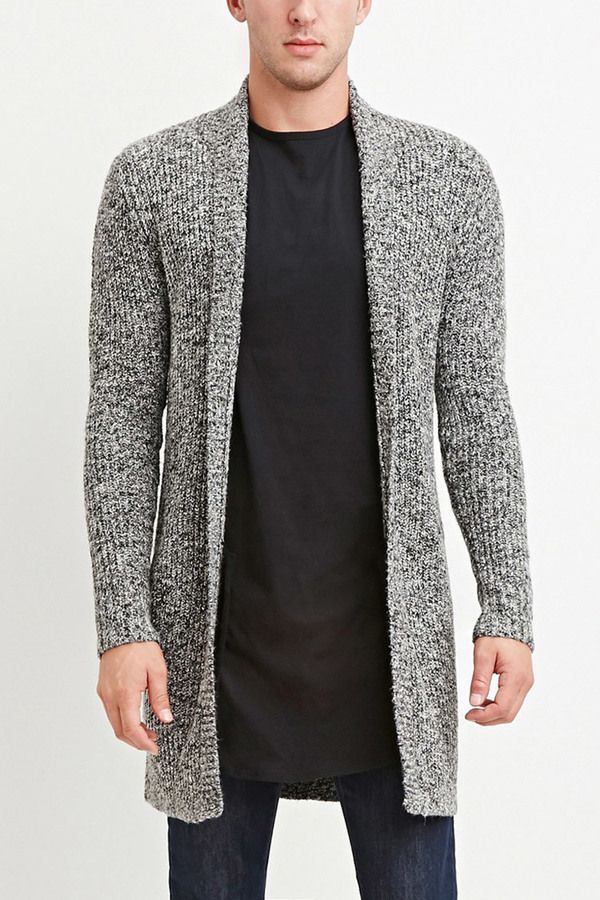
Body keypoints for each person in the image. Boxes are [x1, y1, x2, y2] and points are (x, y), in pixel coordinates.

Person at [83, 1, 535, 897]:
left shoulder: (446, 181)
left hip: (389, 653)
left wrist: (508, 608)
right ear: (235, 1)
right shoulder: (154, 179)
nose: (302, 10)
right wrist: (124, 624)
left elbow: (475, 405)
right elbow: (123, 415)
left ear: (364, 3)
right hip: (214, 656)